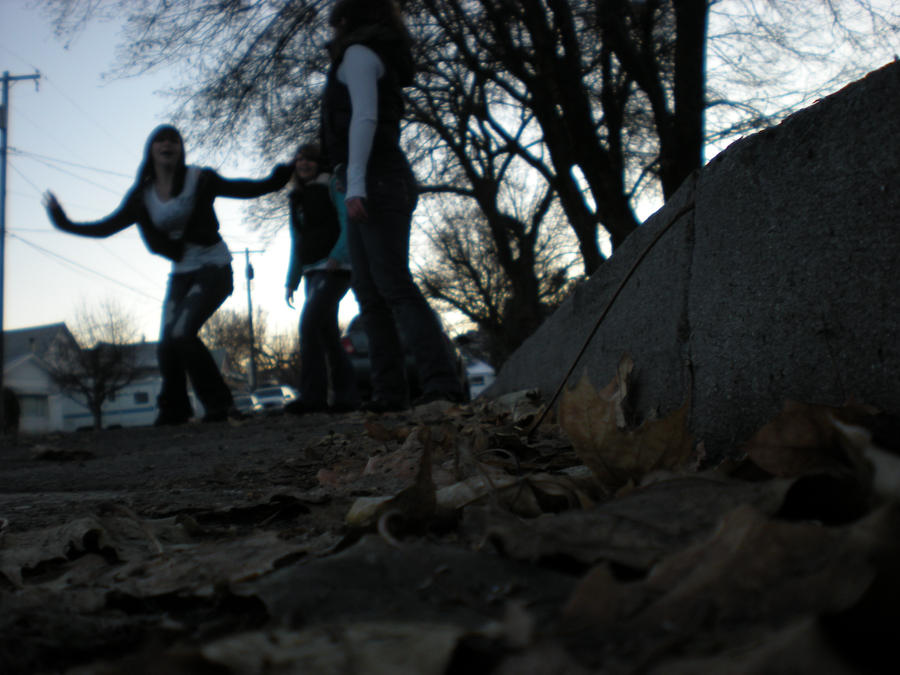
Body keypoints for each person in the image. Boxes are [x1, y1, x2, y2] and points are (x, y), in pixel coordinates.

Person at [43, 124, 292, 425]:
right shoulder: (142, 197)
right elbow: (106, 227)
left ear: (180, 149)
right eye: (161, 139)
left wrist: (277, 180)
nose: (168, 143)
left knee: (182, 334)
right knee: (167, 343)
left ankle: (221, 405)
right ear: (151, 150)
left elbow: (243, 188)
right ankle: (174, 409)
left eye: (174, 139)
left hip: (214, 267)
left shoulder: (199, 179)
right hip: (181, 274)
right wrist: (64, 223)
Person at [321, 0, 465, 412]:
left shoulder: (359, 54)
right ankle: (389, 395)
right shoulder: (366, 54)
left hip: (378, 179)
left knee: (394, 286)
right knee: (369, 292)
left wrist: (357, 183)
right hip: (370, 177)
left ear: (347, 22)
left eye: (336, 24)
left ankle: (441, 384)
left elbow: (364, 118)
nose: (332, 34)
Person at [283, 142, 359, 414]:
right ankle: (346, 398)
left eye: (310, 160)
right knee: (327, 334)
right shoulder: (296, 198)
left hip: (335, 268)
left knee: (309, 325)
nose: (303, 164)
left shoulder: (333, 184)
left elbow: (347, 220)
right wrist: (291, 279)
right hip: (310, 272)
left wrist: (338, 255)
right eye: (299, 159)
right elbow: (297, 240)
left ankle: (312, 397)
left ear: (319, 163)